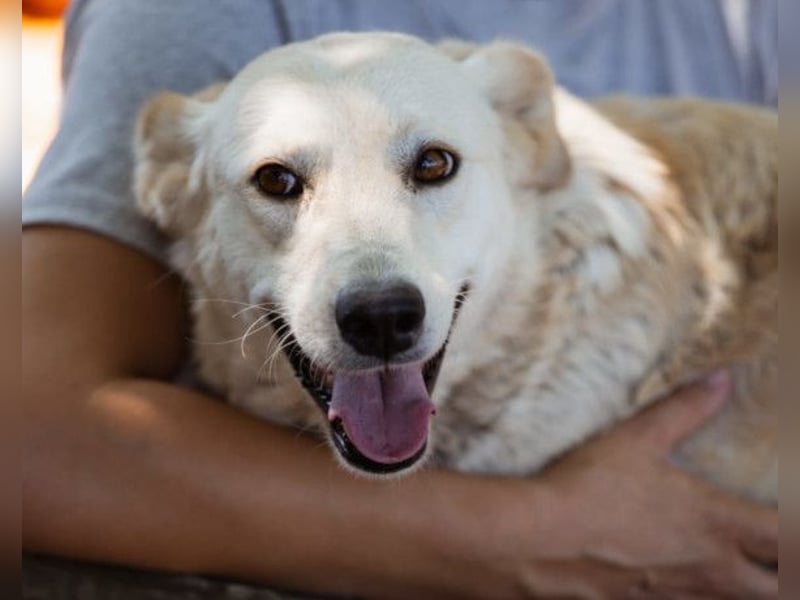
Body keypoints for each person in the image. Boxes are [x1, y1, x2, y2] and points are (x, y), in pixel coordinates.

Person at [22, 1, 778, 597]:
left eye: (432, 167)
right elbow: (29, 439)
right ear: (167, 180)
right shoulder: (199, 14)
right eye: (280, 182)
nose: (381, 296)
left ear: (529, 145)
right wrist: (528, 534)